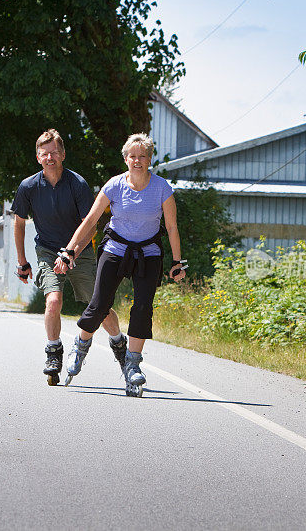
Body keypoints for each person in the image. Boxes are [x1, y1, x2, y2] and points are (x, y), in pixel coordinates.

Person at [54, 133, 187, 396]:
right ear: (126, 158)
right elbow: (90, 221)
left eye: (143, 156)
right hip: (116, 248)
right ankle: (79, 348)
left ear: (150, 160)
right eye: (132, 156)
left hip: (148, 252)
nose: (137, 161)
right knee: (100, 303)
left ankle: (133, 365)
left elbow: (171, 226)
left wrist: (176, 262)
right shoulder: (114, 185)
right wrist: (69, 250)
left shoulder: (162, 188)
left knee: (142, 307)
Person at [11, 129, 126, 386]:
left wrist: (72, 252)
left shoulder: (77, 184)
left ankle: (119, 343)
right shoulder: (28, 187)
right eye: (44, 153)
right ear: (38, 157)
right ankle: (53, 353)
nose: (50, 157)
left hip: (80, 250)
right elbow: (18, 224)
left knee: (100, 308)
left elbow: (91, 225)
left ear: (63, 154)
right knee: (53, 301)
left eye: (54, 152)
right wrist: (22, 262)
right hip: (48, 251)